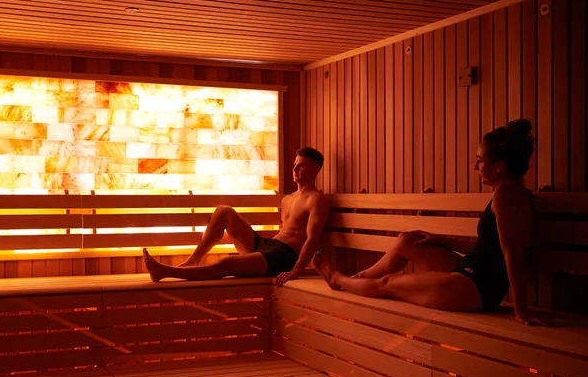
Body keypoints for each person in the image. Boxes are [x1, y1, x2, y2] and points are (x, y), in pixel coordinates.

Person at [312, 119, 543, 326]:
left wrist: (520, 310)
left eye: (479, 161)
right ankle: (360, 278)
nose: (476, 168)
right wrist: (441, 241)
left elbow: (511, 254)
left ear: (499, 166)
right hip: (473, 269)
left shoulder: (506, 196)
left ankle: (338, 279)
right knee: (407, 241)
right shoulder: (511, 194)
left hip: (477, 288)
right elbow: (490, 247)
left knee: (387, 283)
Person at [144, 147, 329, 286]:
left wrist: (296, 270)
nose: (295, 169)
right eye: (294, 165)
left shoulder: (316, 200)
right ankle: (192, 261)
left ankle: (165, 271)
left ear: (314, 171)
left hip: (283, 257)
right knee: (224, 211)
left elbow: (312, 239)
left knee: (226, 263)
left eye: (301, 166)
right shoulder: (287, 199)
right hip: (268, 247)